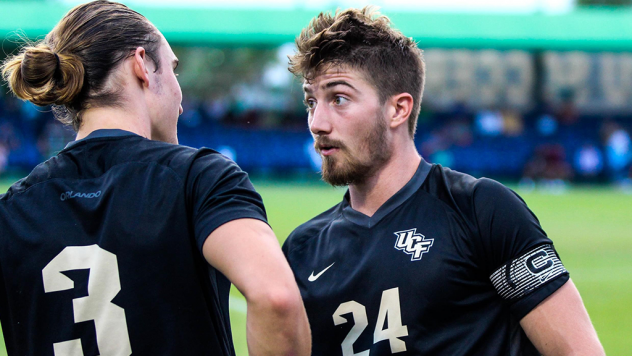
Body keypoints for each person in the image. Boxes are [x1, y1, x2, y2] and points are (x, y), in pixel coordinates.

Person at [282, 7, 604, 356]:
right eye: (311, 101)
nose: (317, 122)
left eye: (338, 98)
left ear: (398, 109)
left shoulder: (480, 210)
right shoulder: (301, 250)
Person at [0, 1, 310, 355]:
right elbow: (276, 299)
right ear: (142, 65)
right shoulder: (200, 177)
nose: (180, 97)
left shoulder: (13, 208)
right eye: (173, 70)